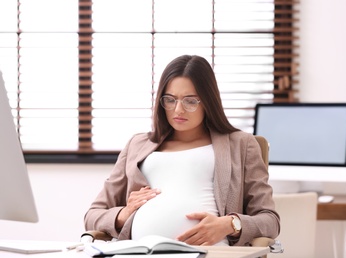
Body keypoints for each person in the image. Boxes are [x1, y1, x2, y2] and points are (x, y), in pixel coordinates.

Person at [84, 55, 280, 246]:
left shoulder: (241, 144)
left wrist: (230, 224)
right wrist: (123, 215)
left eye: (190, 101)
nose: (178, 110)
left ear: (208, 102)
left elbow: (270, 220)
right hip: (142, 254)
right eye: (170, 100)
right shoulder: (137, 145)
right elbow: (93, 214)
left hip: (210, 253)